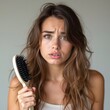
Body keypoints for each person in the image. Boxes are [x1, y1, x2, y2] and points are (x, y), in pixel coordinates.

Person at [8, 2, 104, 110]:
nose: (55, 45)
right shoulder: (19, 85)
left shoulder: (94, 81)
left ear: (74, 42)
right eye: (47, 36)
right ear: (38, 40)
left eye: (64, 37)